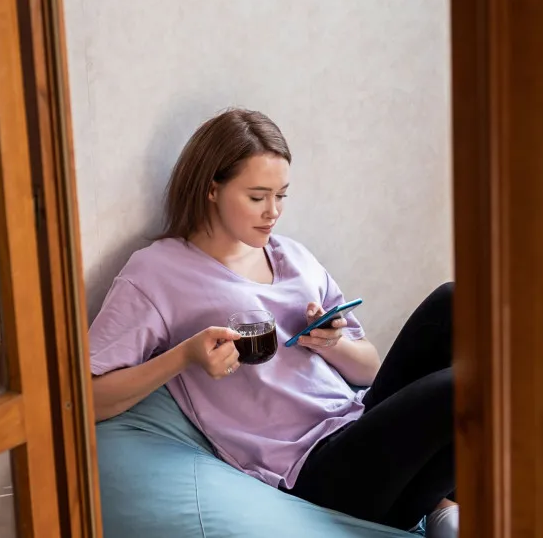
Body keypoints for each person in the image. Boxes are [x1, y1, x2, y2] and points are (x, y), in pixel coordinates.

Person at [88, 108, 458, 537]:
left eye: (281, 196)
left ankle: (441, 504)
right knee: (459, 388)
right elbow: (89, 399)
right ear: (212, 190)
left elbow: (370, 370)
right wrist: (184, 357)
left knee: (451, 303)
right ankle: (458, 498)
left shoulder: (292, 256)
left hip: (356, 420)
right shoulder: (158, 272)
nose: (273, 212)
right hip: (310, 467)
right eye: (257, 196)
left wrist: (331, 345)